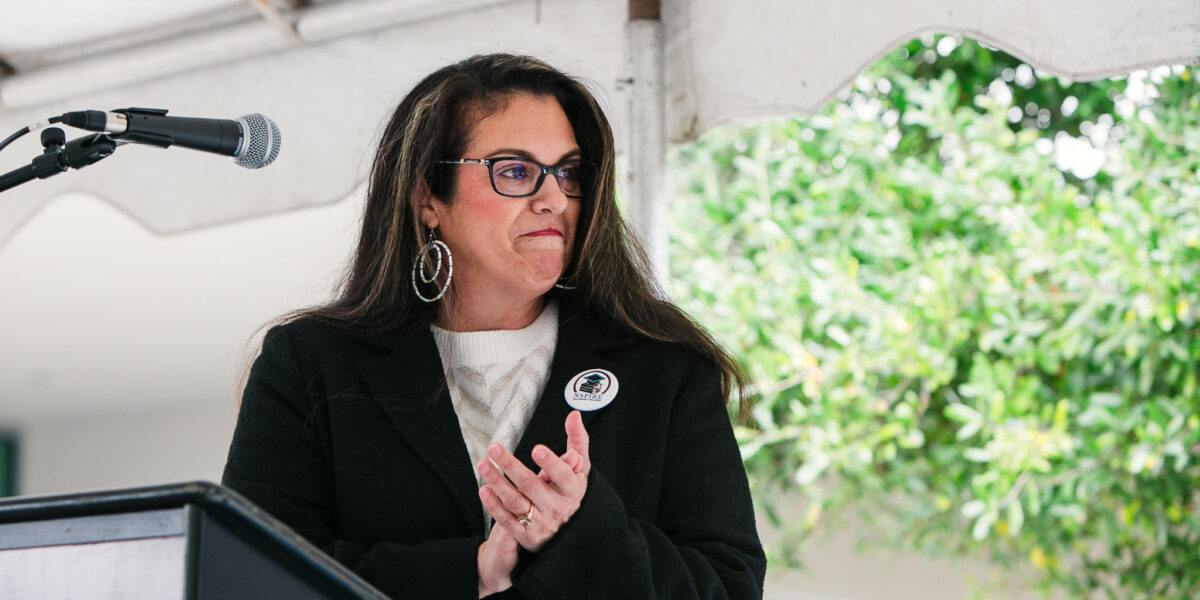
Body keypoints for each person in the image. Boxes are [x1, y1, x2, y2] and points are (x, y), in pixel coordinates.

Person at [222, 53, 765, 599]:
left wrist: (582, 533)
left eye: (569, 173)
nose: (555, 200)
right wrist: (471, 574)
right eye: (515, 171)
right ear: (427, 197)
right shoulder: (309, 364)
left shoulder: (665, 368)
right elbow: (243, 580)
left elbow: (730, 589)